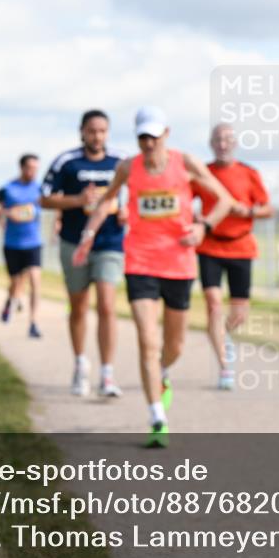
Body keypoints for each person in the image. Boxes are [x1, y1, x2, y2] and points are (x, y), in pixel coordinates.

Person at [73, 107, 234, 447]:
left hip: (178, 263)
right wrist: (86, 240)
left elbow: (223, 199)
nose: (148, 143)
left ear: (167, 134)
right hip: (140, 262)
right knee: (147, 339)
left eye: (154, 136)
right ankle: (156, 416)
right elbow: (104, 204)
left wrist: (203, 227)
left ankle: (162, 373)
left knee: (173, 345)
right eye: (142, 137)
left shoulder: (185, 163)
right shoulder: (127, 167)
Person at [41, 110, 128, 397]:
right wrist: (77, 200)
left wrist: (128, 212)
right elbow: (44, 198)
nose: (97, 136)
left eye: (102, 131)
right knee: (78, 306)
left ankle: (107, 373)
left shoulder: (120, 162)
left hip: (109, 243)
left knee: (106, 304)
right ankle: (80, 363)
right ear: (82, 132)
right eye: (92, 131)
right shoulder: (67, 162)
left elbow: (135, 194)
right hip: (73, 243)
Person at [192, 123, 273, 390]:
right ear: (211, 143)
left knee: (239, 315)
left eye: (227, 139)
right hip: (210, 246)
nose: (222, 144)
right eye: (217, 139)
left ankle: (223, 335)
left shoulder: (249, 173)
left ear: (234, 142)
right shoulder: (203, 174)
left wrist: (246, 211)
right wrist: (193, 217)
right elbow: (184, 200)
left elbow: (267, 209)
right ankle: (225, 368)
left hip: (241, 247)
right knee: (214, 305)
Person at [0, 153, 45, 338]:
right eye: (30, 168)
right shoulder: (8, 188)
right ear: (21, 168)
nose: (33, 172)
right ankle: (9, 302)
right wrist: (6, 213)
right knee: (16, 282)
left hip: (33, 242)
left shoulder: (40, 189)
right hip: (12, 243)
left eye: (36, 168)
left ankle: (33, 322)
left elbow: (54, 203)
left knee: (35, 280)